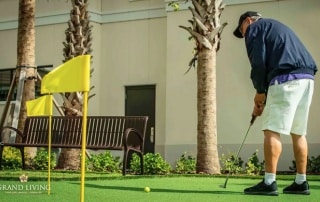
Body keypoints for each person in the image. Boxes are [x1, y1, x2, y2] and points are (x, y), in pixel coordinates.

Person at [233, 11, 317, 196]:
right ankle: (301, 182)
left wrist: (260, 93)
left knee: (271, 129)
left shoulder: (255, 28)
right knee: (298, 132)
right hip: (307, 79)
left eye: (242, 30)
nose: (244, 35)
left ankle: (269, 182)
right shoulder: (277, 27)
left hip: (285, 78)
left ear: (249, 20)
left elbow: (258, 63)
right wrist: (263, 94)